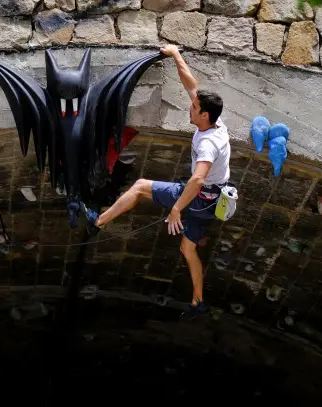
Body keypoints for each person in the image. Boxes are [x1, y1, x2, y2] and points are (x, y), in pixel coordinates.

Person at [93, 45, 231, 321]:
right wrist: (176, 55)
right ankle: (198, 302)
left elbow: (197, 178)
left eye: (194, 108)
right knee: (187, 249)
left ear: (204, 115)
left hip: (198, 197)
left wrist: (177, 208)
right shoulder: (215, 123)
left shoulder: (207, 144)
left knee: (141, 186)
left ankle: (97, 221)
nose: (189, 108)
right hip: (213, 202)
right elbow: (191, 85)